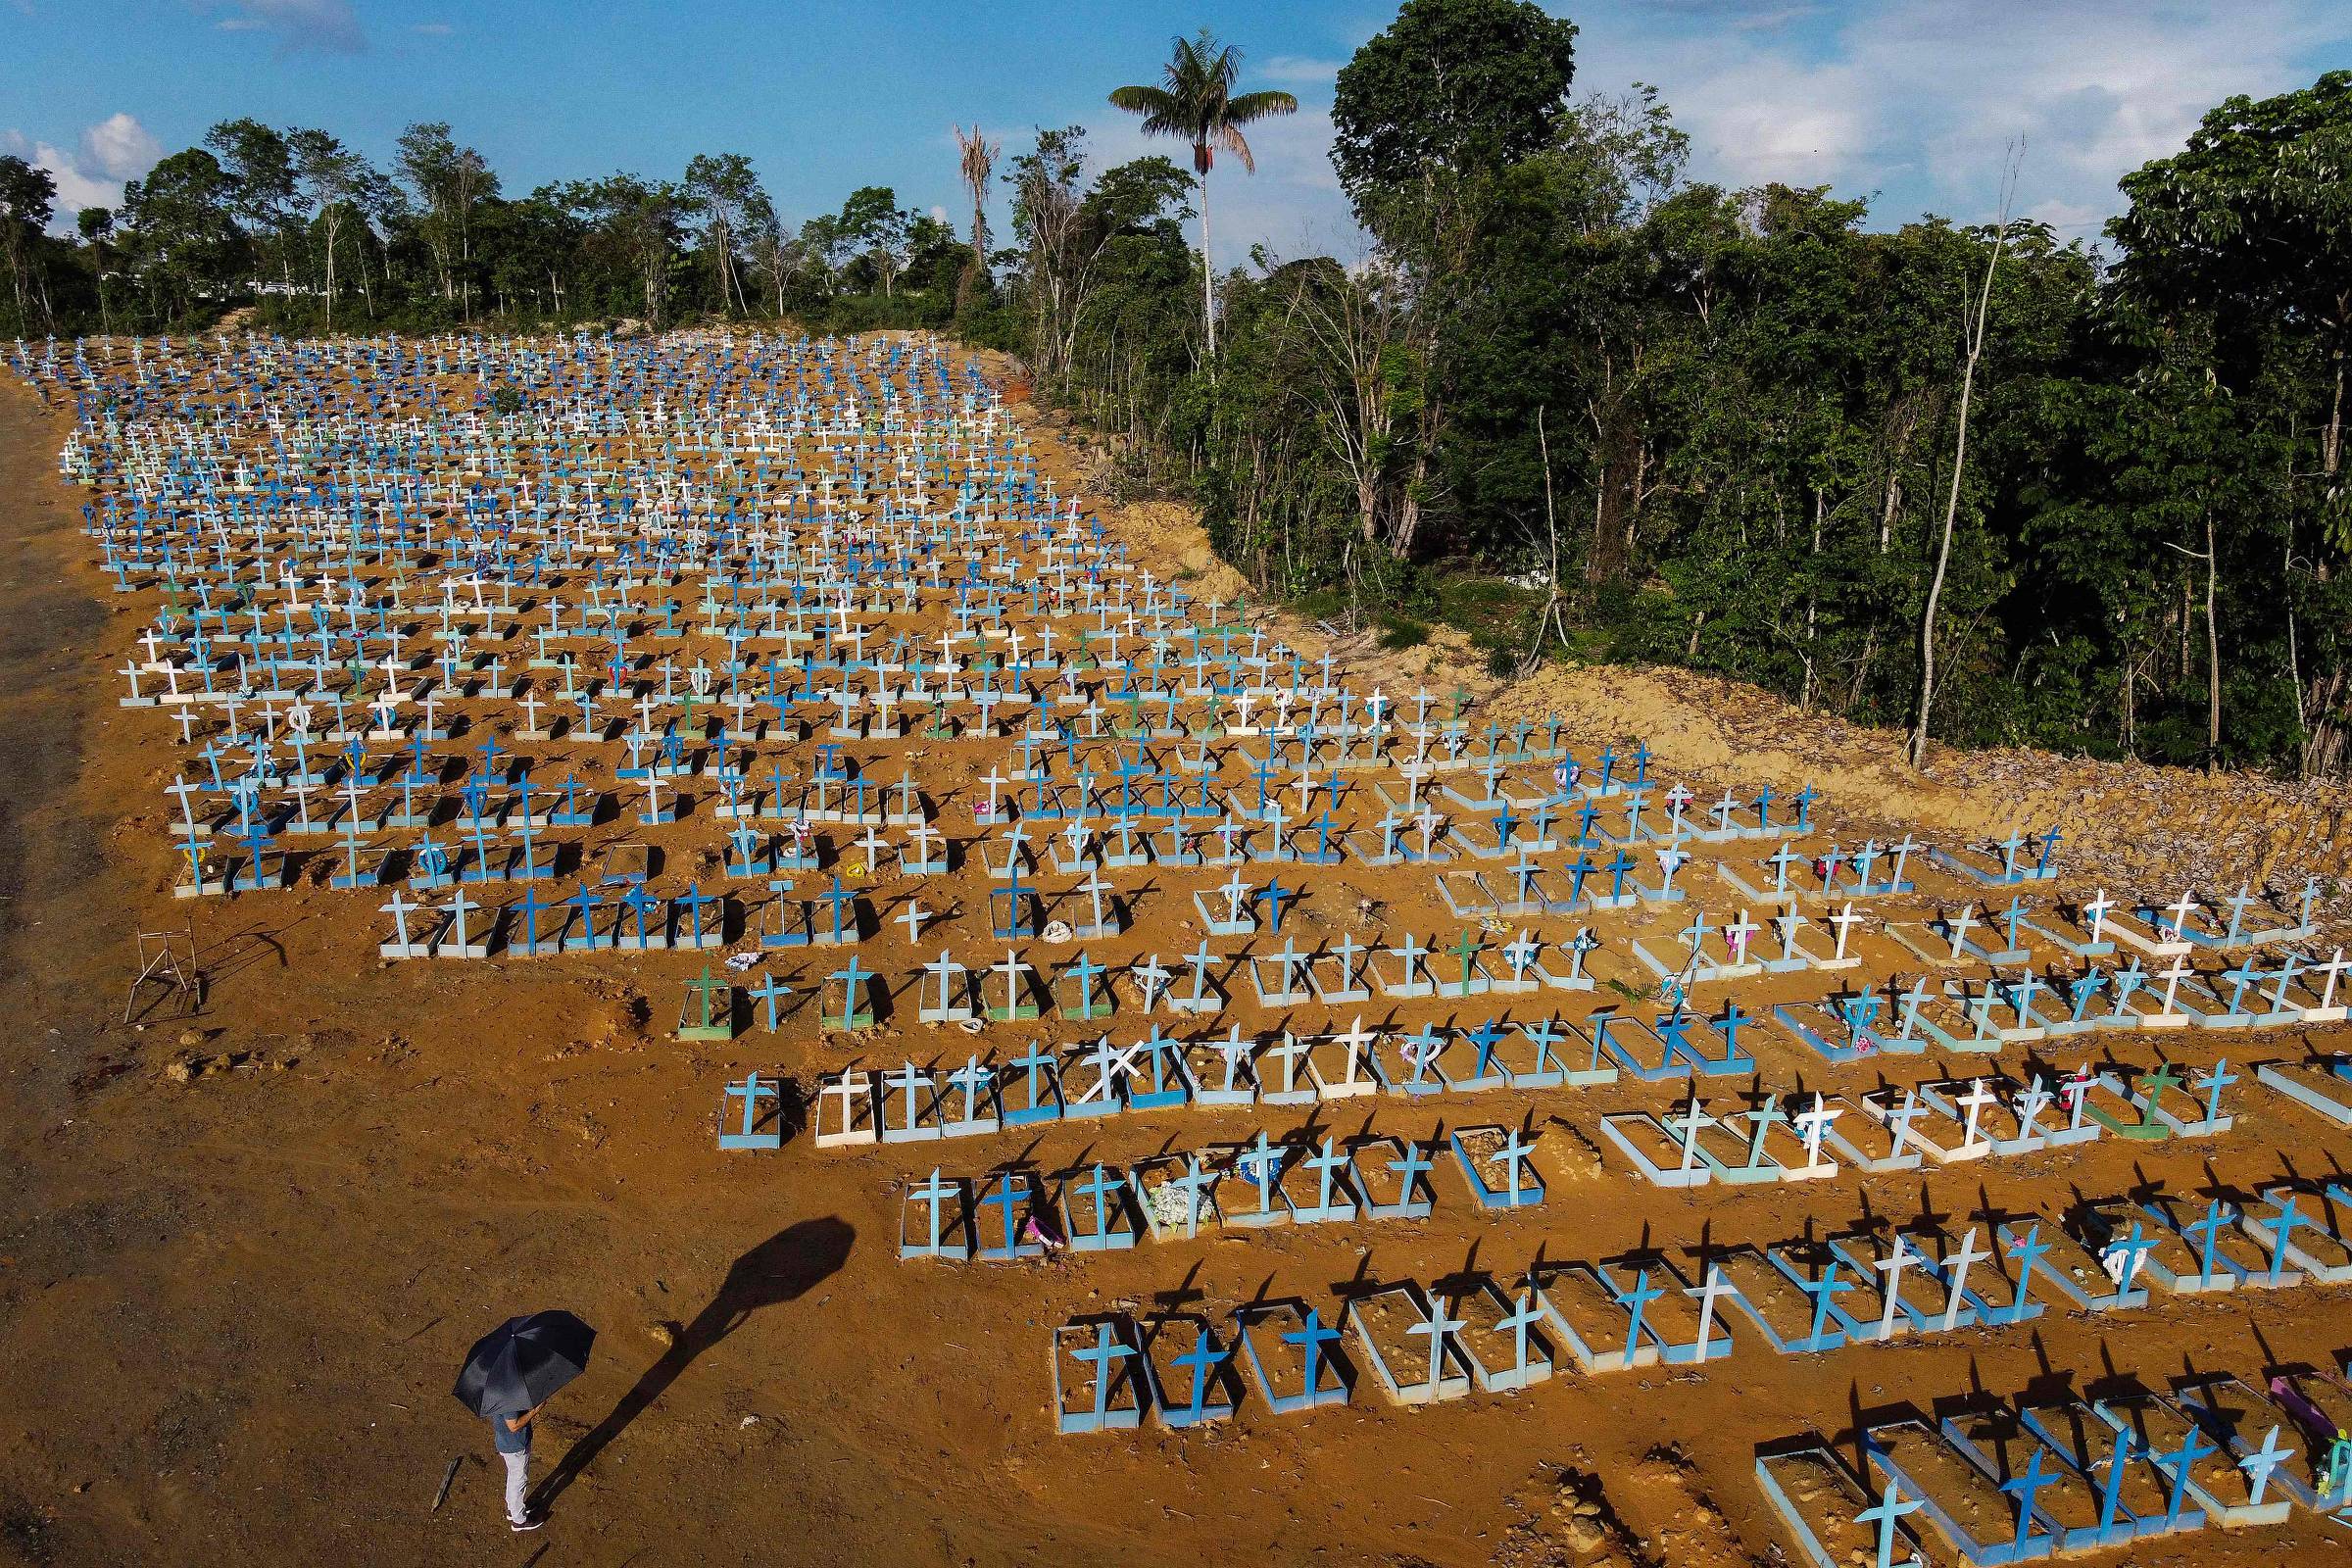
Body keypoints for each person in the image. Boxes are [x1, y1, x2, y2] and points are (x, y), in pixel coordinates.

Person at [489, 1399, 545, 1531]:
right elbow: (513, 1426)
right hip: (515, 1446)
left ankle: (512, 1509)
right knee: (519, 1481)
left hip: (506, 1442)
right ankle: (519, 1521)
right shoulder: (509, 1399)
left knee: (514, 1478)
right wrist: (535, 1410)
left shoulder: (498, 1391)